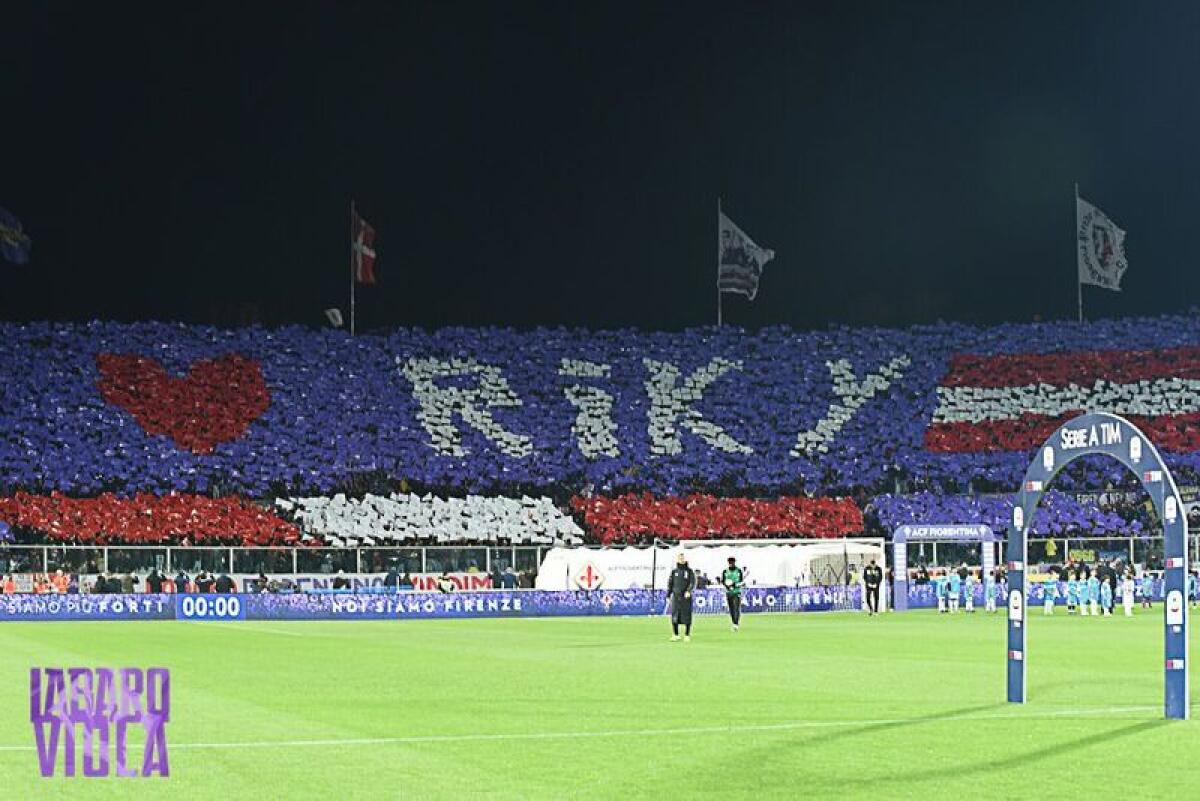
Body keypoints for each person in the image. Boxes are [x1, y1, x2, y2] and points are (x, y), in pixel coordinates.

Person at [666, 552, 696, 642]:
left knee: (687, 615)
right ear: (677, 559)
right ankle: (676, 634)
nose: (681, 560)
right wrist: (668, 595)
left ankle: (687, 635)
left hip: (686, 597)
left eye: (683, 558)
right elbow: (670, 584)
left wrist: (688, 591)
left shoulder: (689, 571)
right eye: (680, 558)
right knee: (675, 615)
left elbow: (692, 582)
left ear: (685, 560)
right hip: (676, 597)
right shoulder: (674, 571)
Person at [721, 556, 746, 630]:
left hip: (736, 592)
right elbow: (723, 581)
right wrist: (727, 586)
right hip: (729, 592)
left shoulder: (739, 571)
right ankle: (733, 622)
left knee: (736, 607)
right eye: (729, 562)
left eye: (732, 562)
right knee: (731, 608)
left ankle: (736, 624)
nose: (731, 564)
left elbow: (742, 582)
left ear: (734, 562)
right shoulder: (725, 571)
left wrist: (734, 585)